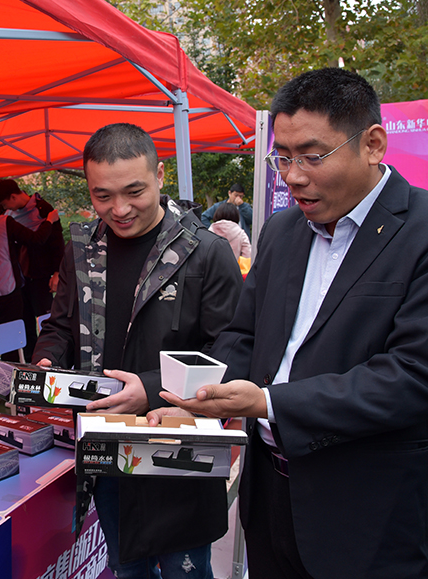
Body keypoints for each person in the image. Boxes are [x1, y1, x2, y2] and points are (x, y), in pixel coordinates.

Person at [151, 68, 428, 578]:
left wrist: (268, 402)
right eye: (282, 157)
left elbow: (412, 376)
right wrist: (202, 400)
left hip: (369, 512)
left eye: (312, 156)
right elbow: (244, 334)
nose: (293, 176)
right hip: (269, 500)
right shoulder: (282, 230)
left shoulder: (420, 230)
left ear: (372, 144)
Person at [32, 123, 243, 578]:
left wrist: (148, 389)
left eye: (134, 192)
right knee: (126, 568)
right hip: (107, 448)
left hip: (178, 451)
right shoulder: (82, 249)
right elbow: (60, 325)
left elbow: (231, 352)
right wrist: (47, 361)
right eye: (102, 196)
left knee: (187, 570)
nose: (120, 209)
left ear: (160, 176)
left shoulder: (206, 252)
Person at [0, 184, 59, 404]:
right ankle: (10, 392)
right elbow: (36, 239)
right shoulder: (4, 222)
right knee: (11, 341)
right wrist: (49, 221)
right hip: (7, 289)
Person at [0, 179, 65, 361]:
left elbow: (57, 243)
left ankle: (49, 358)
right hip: (19, 278)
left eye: (4, 204)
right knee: (24, 321)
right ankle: (30, 359)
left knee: (46, 319)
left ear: (13, 197)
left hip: (40, 275)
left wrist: (57, 272)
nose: (4, 208)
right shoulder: (7, 215)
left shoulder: (43, 210)